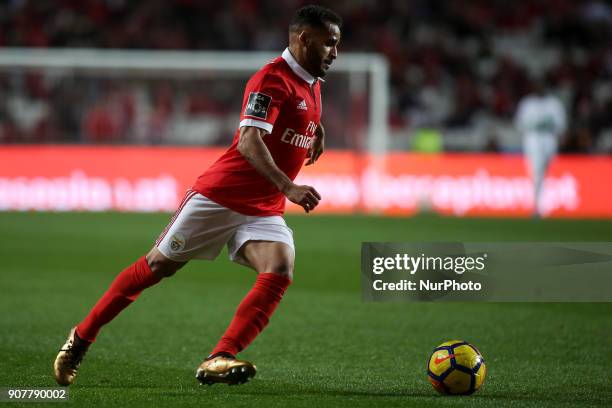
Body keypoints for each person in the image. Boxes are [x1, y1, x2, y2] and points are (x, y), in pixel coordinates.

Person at [53, 5, 342, 386]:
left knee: (279, 266)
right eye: (329, 43)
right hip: (221, 196)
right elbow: (249, 141)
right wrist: (289, 186)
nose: (335, 53)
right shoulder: (270, 79)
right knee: (157, 266)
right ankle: (81, 337)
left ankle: (220, 356)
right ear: (305, 39)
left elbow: (298, 113)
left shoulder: (312, 82)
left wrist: (315, 129)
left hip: (263, 207)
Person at [514, 78, 566, 217]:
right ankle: (537, 207)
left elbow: (561, 124)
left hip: (549, 138)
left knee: (548, 173)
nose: (539, 89)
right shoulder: (527, 103)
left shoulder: (554, 103)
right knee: (536, 173)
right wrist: (535, 123)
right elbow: (519, 124)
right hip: (533, 138)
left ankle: (547, 205)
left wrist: (549, 125)